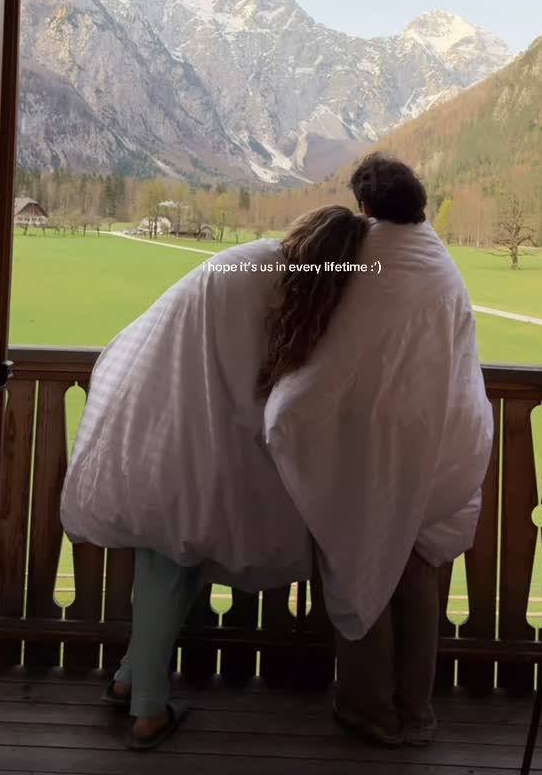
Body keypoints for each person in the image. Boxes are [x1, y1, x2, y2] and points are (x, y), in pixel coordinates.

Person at [60, 205, 368, 750]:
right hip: (182, 431)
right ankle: (147, 710)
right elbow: (256, 388)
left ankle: (130, 678)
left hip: (156, 418)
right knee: (171, 560)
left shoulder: (255, 263)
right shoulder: (275, 284)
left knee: (173, 560)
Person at [263, 153, 494, 747]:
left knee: (360, 560)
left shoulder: (368, 261)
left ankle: (369, 708)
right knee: (415, 572)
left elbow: (338, 355)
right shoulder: (439, 261)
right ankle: (416, 712)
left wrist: (285, 407)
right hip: (441, 437)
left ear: (366, 207)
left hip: (376, 448)